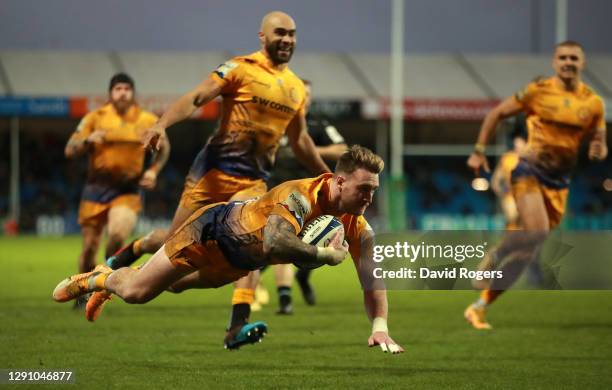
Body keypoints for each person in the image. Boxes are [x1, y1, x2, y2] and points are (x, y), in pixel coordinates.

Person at [86, 11, 330, 348]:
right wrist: (161, 124)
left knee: (254, 244)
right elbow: (198, 98)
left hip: (253, 182)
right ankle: (121, 263)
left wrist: (325, 176)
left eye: (292, 34)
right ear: (263, 36)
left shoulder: (296, 88)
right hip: (212, 174)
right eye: (280, 33)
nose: (287, 40)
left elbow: (301, 141)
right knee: (173, 246)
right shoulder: (239, 68)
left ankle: (236, 328)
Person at [53, 146, 404, 354]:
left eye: (374, 190)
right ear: (340, 181)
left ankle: (112, 276)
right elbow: (275, 241)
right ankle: (99, 280)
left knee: (173, 285)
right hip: (210, 232)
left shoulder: (357, 225)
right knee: (137, 292)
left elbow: (373, 280)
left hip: (236, 262)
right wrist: (325, 256)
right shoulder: (298, 195)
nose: (370, 197)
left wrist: (380, 324)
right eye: (364, 189)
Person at [464, 40, 607, 329]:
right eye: (562, 57)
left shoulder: (593, 103)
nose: (568, 62)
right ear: (554, 62)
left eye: (573, 58)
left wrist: (598, 149)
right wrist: (479, 150)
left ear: (582, 63)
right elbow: (496, 114)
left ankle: (479, 307)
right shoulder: (537, 91)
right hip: (529, 172)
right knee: (537, 230)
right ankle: (494, 256)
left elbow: (599, 141)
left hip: (560, 184)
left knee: (529, 249)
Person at [64, 73, 169, 308]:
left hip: (127, 189)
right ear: (110, 93)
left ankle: (105, 281)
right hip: (95, 189)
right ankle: (82, 291)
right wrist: (87, 140)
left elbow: (165, 147)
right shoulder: (95, 118)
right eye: (118, 88)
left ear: (133, 93)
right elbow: (70, 150)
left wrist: (153, 171)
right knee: (89, 248)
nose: (123, 92)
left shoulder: (146, 119)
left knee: (117, 236)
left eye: (127, 89)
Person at [258, 79, 347, 314]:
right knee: (281, 240)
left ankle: (302, 278)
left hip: (313, 194)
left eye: (307, 94)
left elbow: (342, 149)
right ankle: (284, 298)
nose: (303, 98)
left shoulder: (318, 125)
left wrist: (305, 148)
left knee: (312, 239)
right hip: (279, 192)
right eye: (299, 93)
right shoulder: (276, 123)